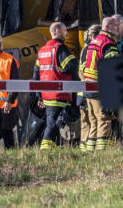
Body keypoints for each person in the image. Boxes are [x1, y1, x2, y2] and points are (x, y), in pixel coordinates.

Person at [33, 22, 77, 150]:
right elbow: (70, 66)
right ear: (57, 31)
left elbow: (36, 76)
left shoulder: (42, 51)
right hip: (59, 93)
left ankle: (54, 149)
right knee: (53, 125)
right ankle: (45, 150)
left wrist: (39, 96)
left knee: (54, 123)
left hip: (47, 95)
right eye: (65, 30)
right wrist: (74, 58)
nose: (67, 33)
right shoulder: (60, 48)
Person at [81, 16, 121, 150]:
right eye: (115, 26)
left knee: (93, 121)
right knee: (104, 120)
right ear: (107, 27)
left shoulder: (94, 41)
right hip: (100, 88)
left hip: (88, 86)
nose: (118, 28)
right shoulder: (108, 43)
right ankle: (102, 152)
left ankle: (90, 150)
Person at [78, 24, 101, 151]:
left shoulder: (84, 49)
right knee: (94, 121)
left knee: (86, 122)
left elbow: (80, 71)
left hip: (82, 92)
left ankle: (84, 148)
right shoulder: (93, 48)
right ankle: (91, 148)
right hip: (90, 90)